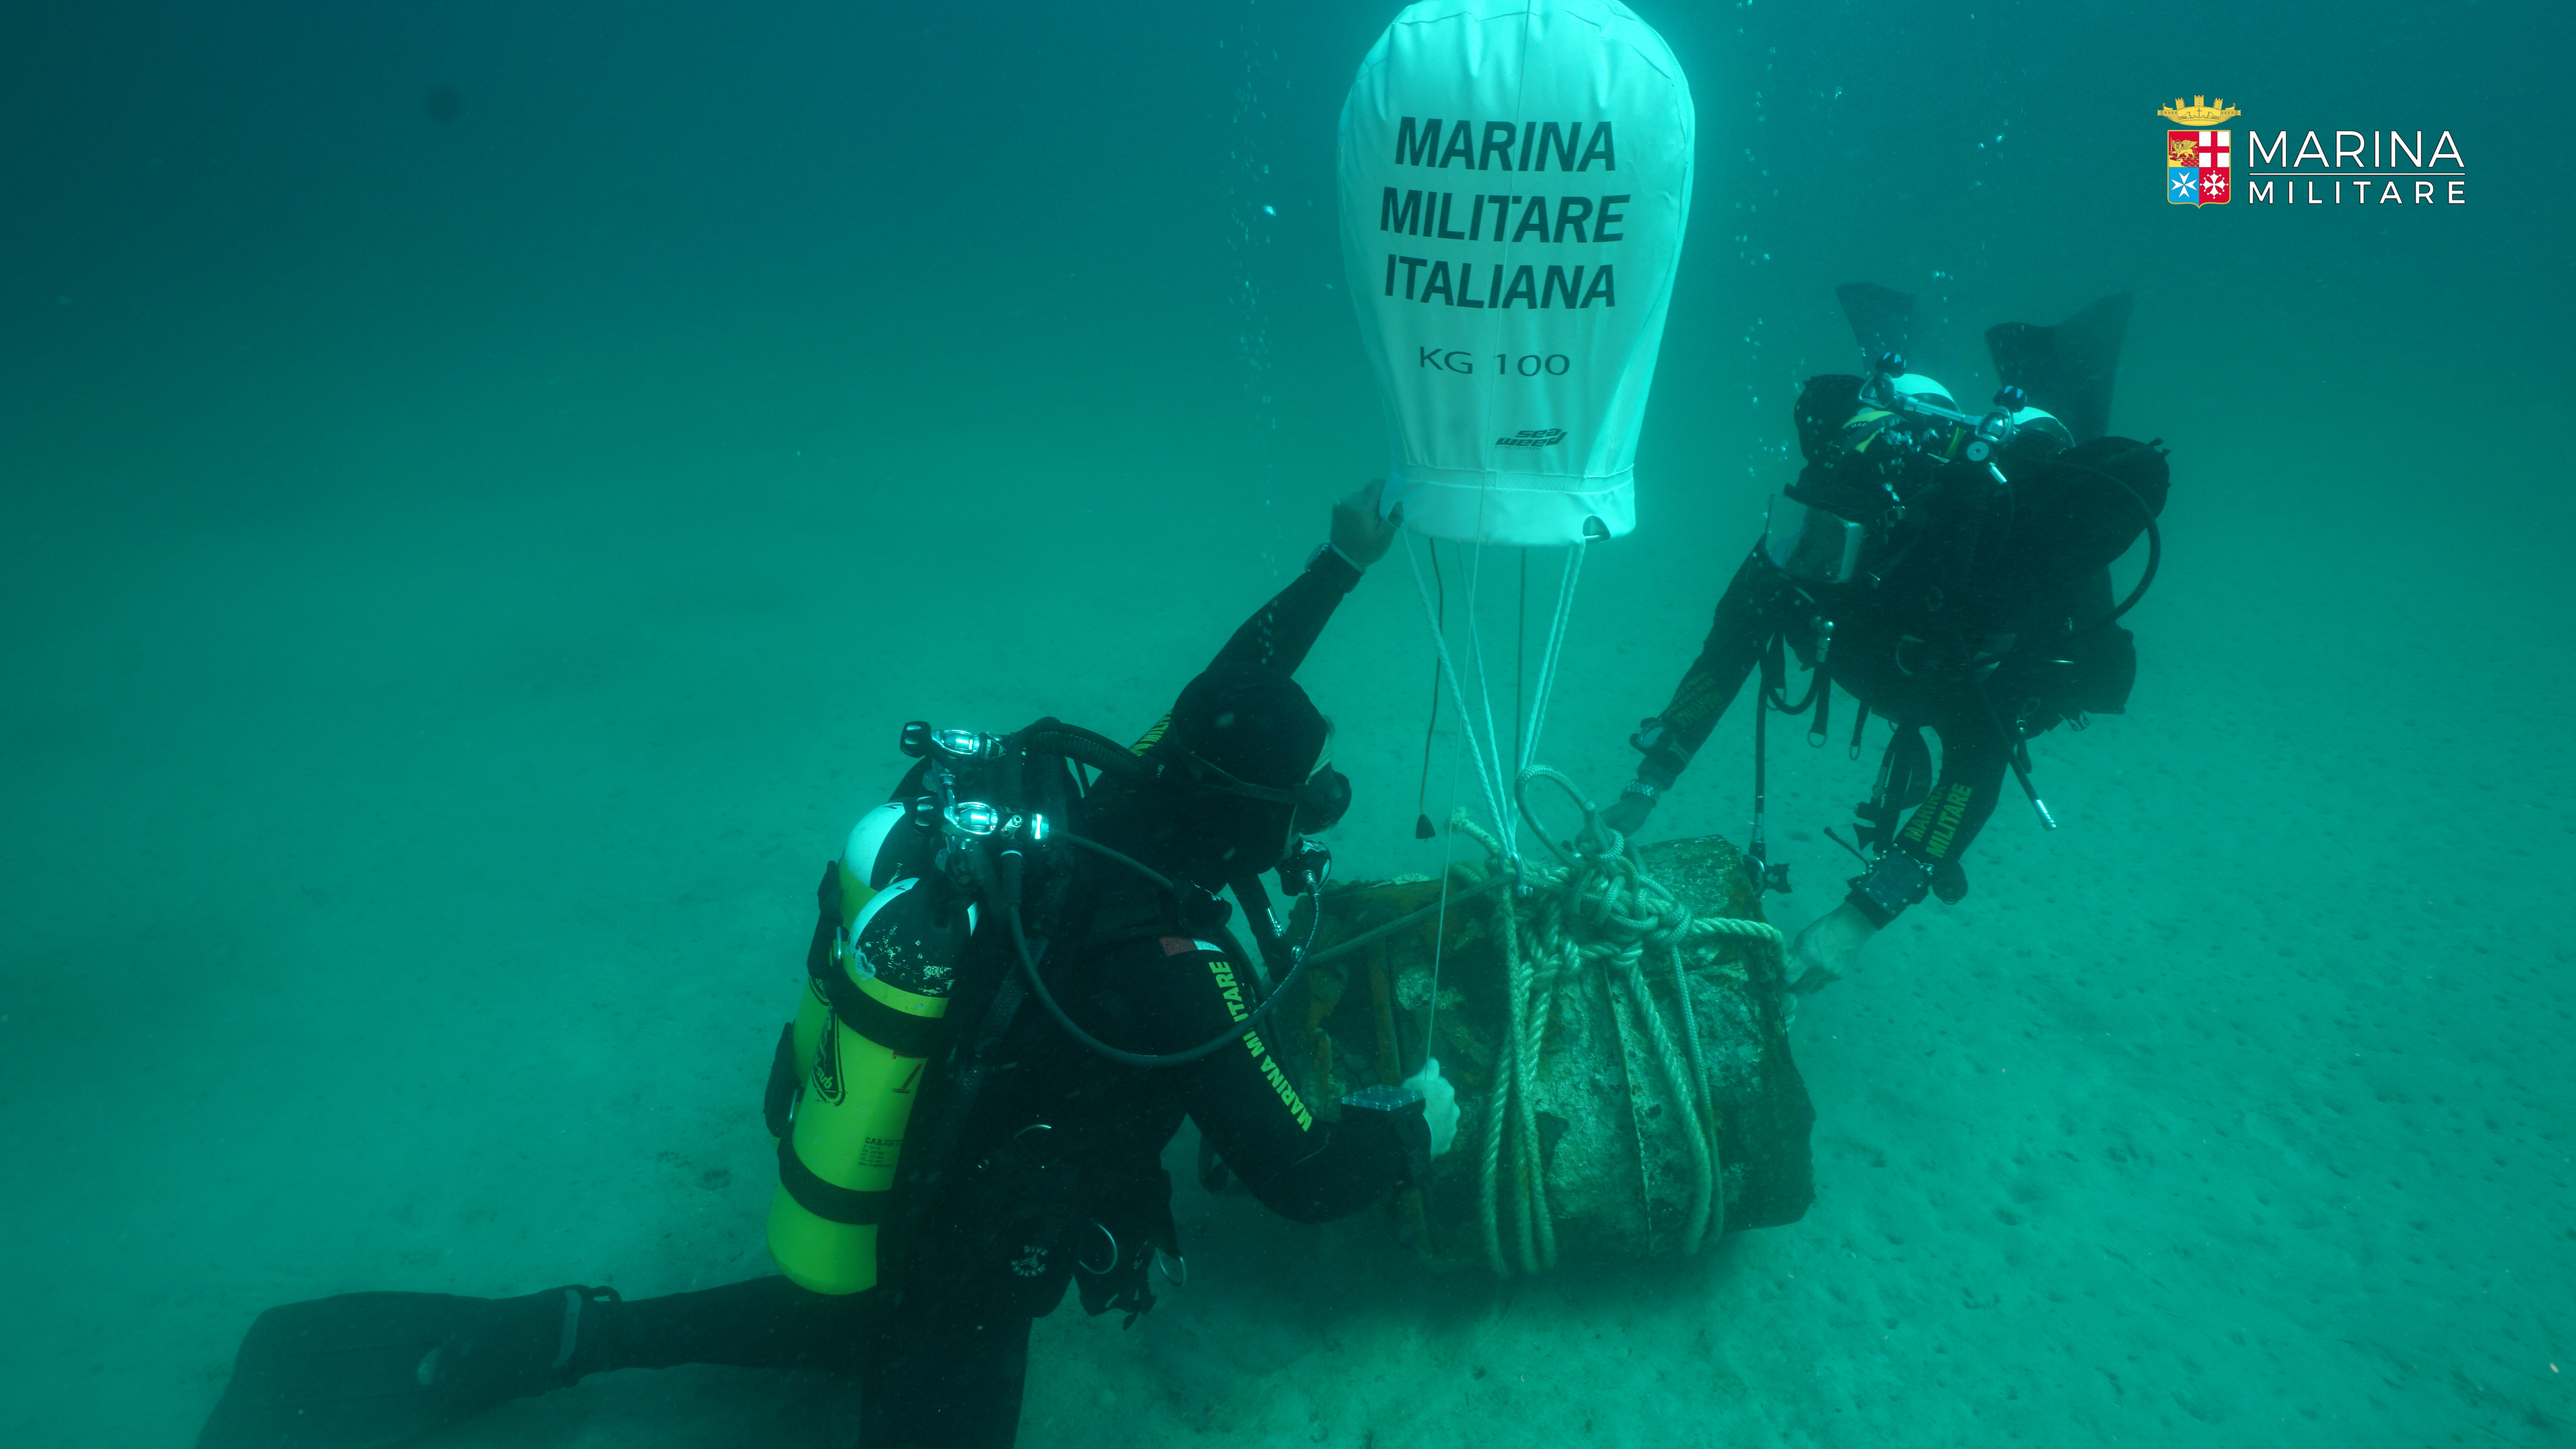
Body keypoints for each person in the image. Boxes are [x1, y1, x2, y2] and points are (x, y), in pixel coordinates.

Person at [196, 483, 1458, 1449]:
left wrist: (1338, 565)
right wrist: (1419, 1127)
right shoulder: (1183, 971)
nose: (1307, 818)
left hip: (898, 1143)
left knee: (849, 1305)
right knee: (898, 1332)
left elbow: (1235, 688)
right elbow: (1302, 1177)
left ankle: (574, 1334)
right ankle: (574, 1340)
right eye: (1300, 804)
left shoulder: (1108, 796)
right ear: (1241, 816)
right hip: (969, 1257)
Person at [1598, 290, 2169, 1000]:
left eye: (1825, 547)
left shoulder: (1966, 607)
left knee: (2060, 471)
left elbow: (1970, 776)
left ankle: (2059, 403)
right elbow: (1726, 653)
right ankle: (1930, 382)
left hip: (1953, 636)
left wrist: (1859, 918)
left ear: (1879, 559)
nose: (1798, 558)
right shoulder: (1811, 540)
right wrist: (1644, 786)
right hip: (1899, 572)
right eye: (1798, 530)